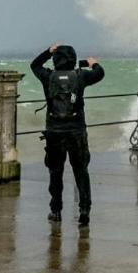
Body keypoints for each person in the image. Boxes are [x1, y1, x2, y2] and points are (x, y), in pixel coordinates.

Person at [31, 43, 104, 225]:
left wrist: (48, 51)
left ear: (56, 59)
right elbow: (100, 73)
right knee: (81, 171)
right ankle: (84, 210)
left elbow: (34, 65)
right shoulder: (81, 76)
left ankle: (56, 211)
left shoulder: (48, 77)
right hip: (76, 131)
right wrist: (93, 63)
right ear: (73, 59)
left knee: (55, 172)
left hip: (54, 131)